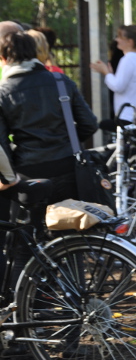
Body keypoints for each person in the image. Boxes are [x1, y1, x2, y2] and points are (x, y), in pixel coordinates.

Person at [0, 31, 98, 284]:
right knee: (70, 236)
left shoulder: (4, 91)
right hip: (68, 168)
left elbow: (1, 144)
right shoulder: (60, 81)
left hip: (30, 174)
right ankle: (78, 297)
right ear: (34, 53)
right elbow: (89, 124)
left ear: (3, 58)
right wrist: (67, 140)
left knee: (25, 245)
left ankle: (31, 310)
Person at [90, 25, 136, 124]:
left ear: (130, 42)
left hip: (128, 117)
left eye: (120, 37)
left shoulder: (128, 59)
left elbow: (117, 86)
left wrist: (106, 72)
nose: (116, 39)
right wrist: (110, 74)